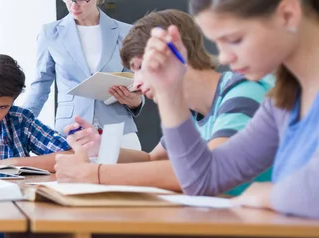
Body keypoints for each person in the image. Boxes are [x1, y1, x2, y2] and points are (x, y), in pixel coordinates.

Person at [120, 0, 319, 238]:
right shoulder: (283, 100)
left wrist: (270, 193)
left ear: (288, 14)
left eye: (235, 39)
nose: (224, 58)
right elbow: (203, 179)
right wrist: (171, 92)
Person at [55, 10, 273, 195]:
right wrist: (99, 146)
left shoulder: (242, 91)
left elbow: (205, 172)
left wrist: (96, 174)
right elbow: (152, 159)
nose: (137, 84)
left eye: (140, 67)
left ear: (176, 54)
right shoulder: (190, 114)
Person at [22, 0, 144, 149]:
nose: (73, 5)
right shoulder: (50, 34)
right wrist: (18, 123)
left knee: (128, 178)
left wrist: (136, 101)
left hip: (118, 130)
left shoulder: (126, 33)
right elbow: (40, 86)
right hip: (71, 131)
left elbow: (138, 82)